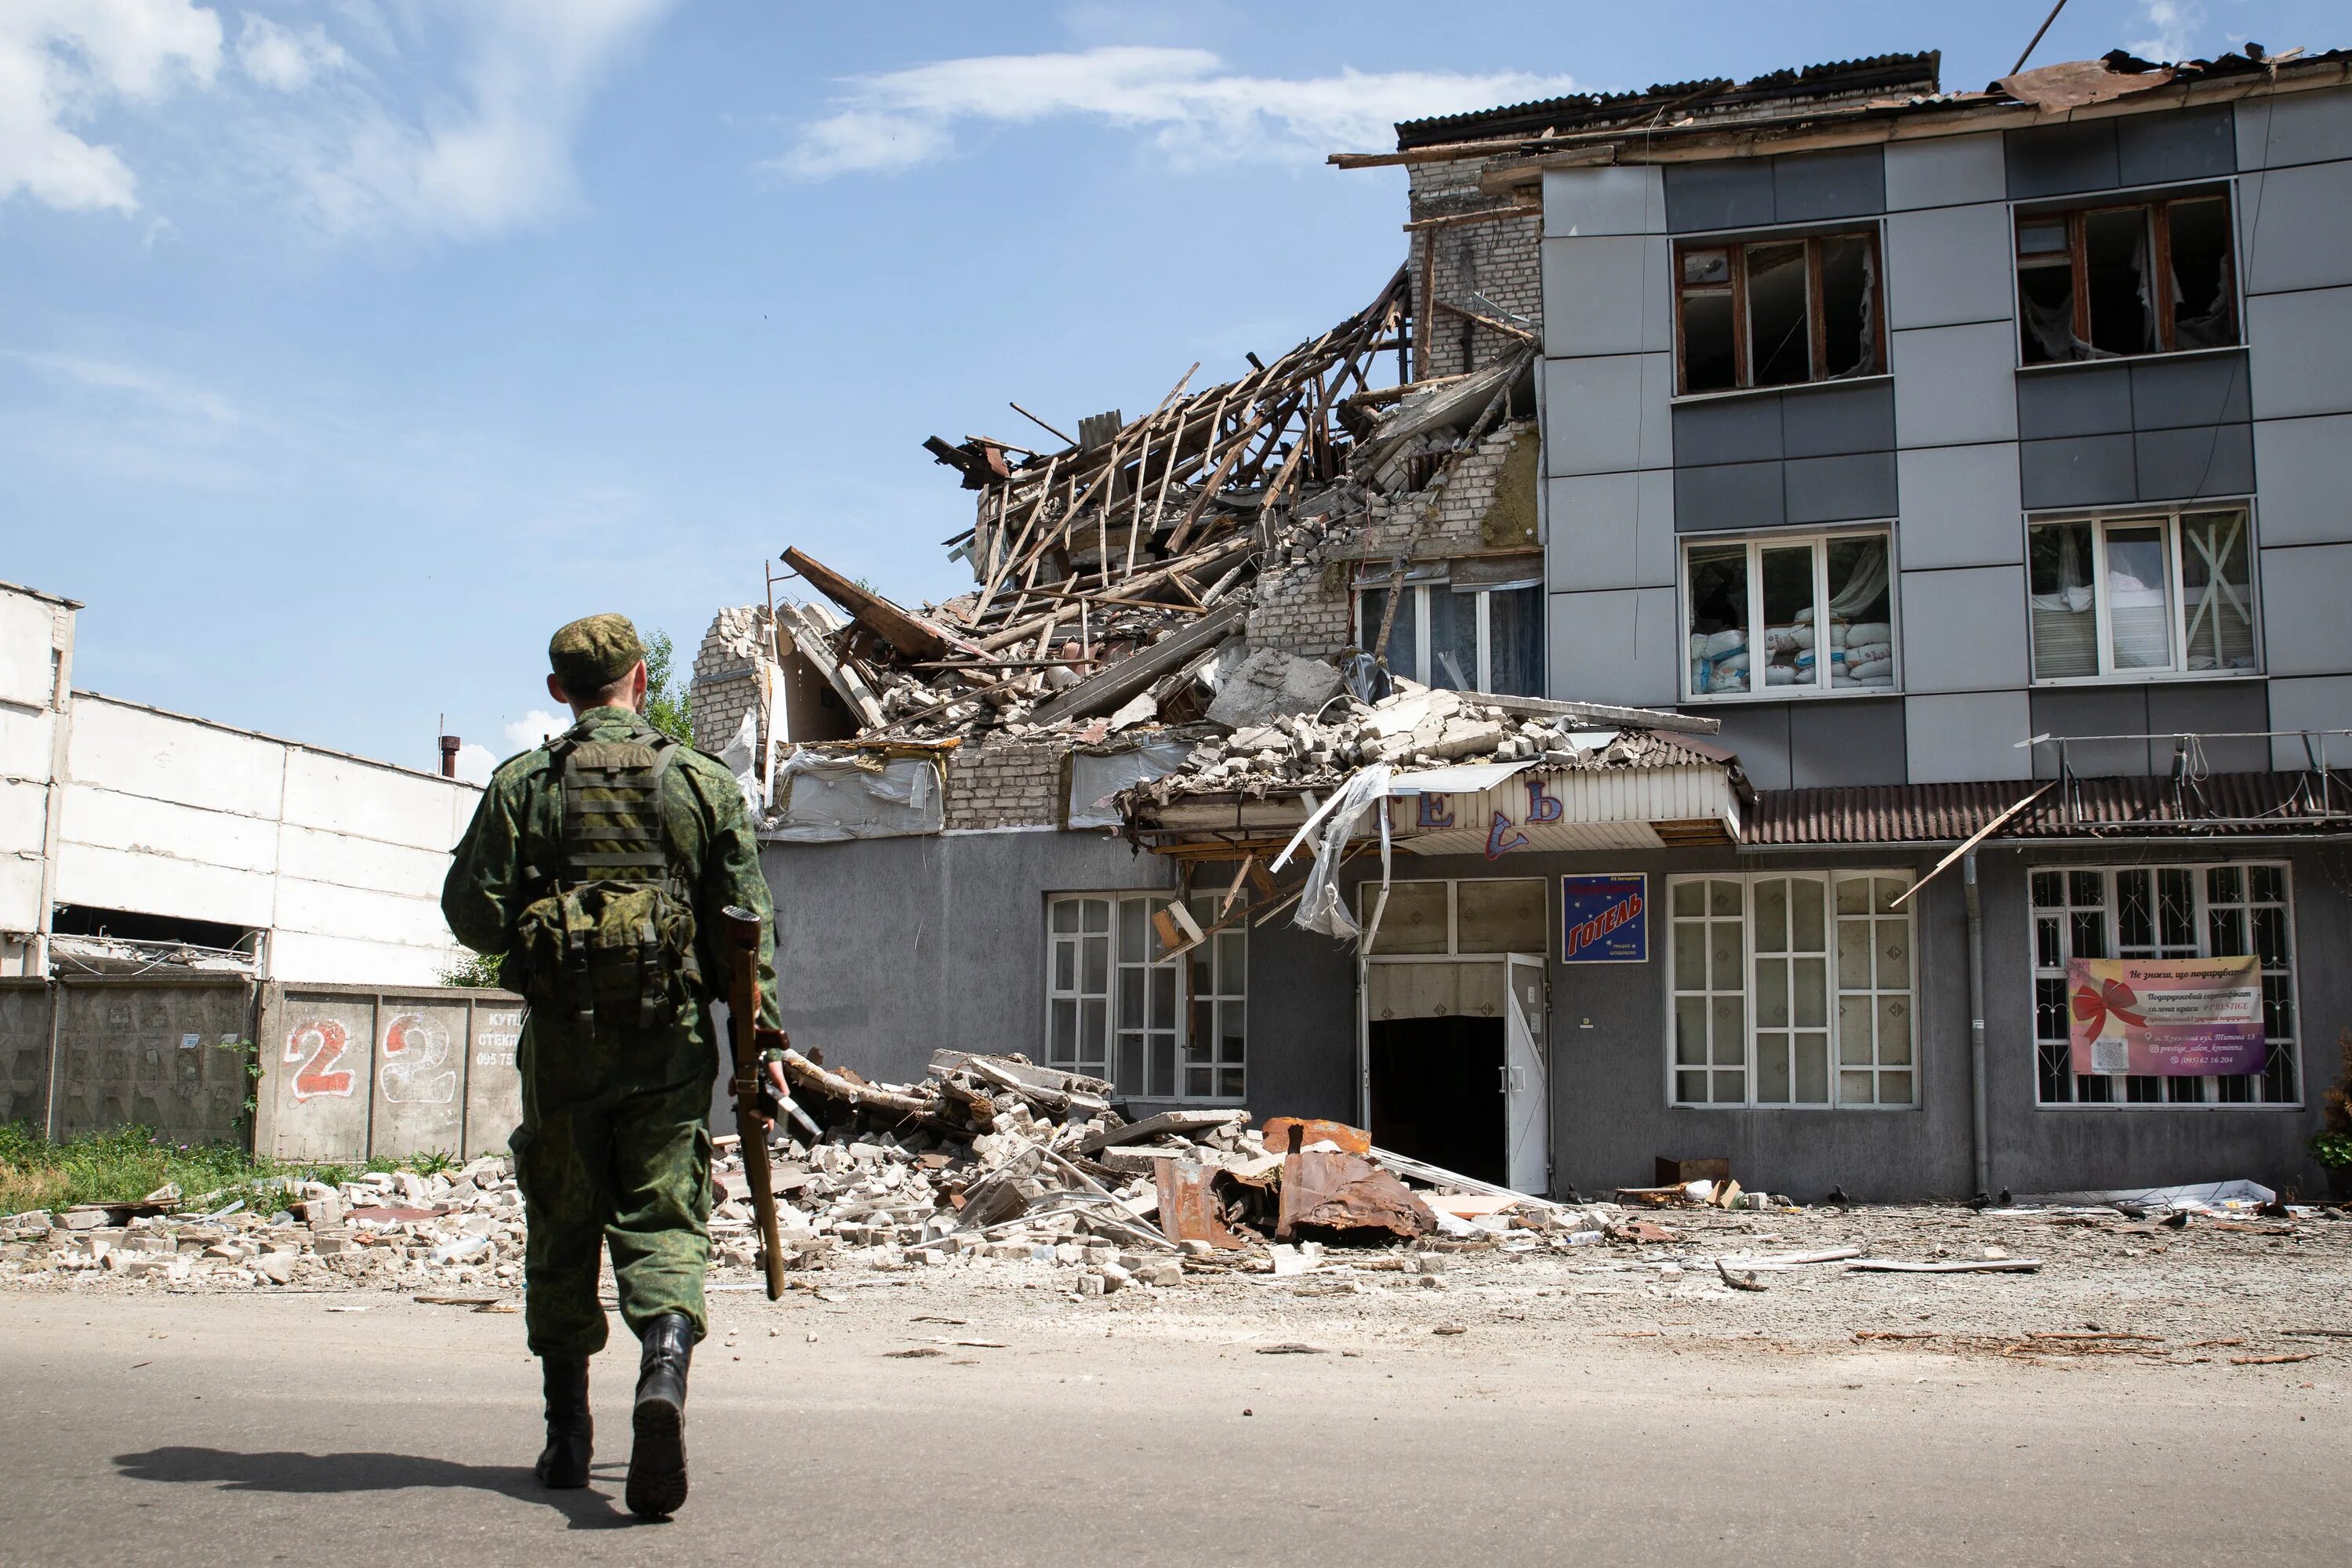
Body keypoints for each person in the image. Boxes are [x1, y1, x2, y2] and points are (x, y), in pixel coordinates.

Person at [441, 613, 780, 1519]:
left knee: (562, 1216)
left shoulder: (525, 786)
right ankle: (661, 1375)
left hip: (561, 1046)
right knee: (664, 1213)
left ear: (560, 691)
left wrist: (543, 929)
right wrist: (760, 1047)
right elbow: (745, 932)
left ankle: (566, 1435)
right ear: (639, 677)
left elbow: (470, 914)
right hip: (669, 1043)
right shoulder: (700, 784)